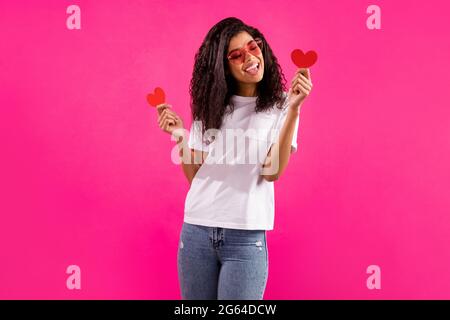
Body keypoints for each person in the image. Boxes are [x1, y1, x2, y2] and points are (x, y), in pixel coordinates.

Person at [156, 17, 313, 300]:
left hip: (245, 238)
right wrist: (180, 135)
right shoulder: (210, 107)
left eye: (253, 47)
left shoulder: (282, 106)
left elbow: (271, 171)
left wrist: (294, 110)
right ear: (224, 67)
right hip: (196, 233)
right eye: (237, 55)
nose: (250, 58)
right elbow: (196, 177)